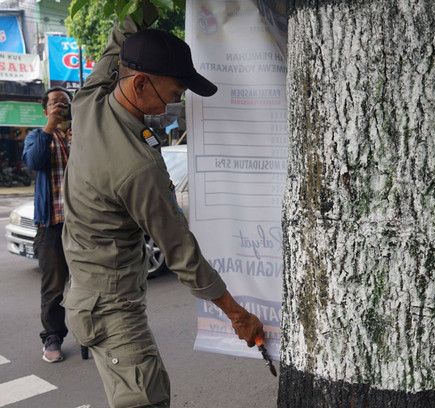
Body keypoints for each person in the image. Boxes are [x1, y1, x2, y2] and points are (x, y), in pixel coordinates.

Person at [61, 3, 264, 407]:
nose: (177, 101)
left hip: (89, 297)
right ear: (138, 85)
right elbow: (180, 252)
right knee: (148, 400)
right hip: (111, 311)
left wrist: (147, 6)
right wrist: (237, 314)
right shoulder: (136, 168)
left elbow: (121, 38)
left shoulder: (90, 101)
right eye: (175, 91)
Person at [22, 87, 73, 363]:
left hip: (83, 226)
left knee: (91, 282)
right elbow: (34, 161)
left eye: (64, 103)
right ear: (45, 111)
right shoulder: (36, 137)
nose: (60, 107)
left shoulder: (80, 136)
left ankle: (98, 332)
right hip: (52, 226)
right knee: (53, 288)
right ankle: (53, 337)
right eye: (54, 103)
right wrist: (50, 127)